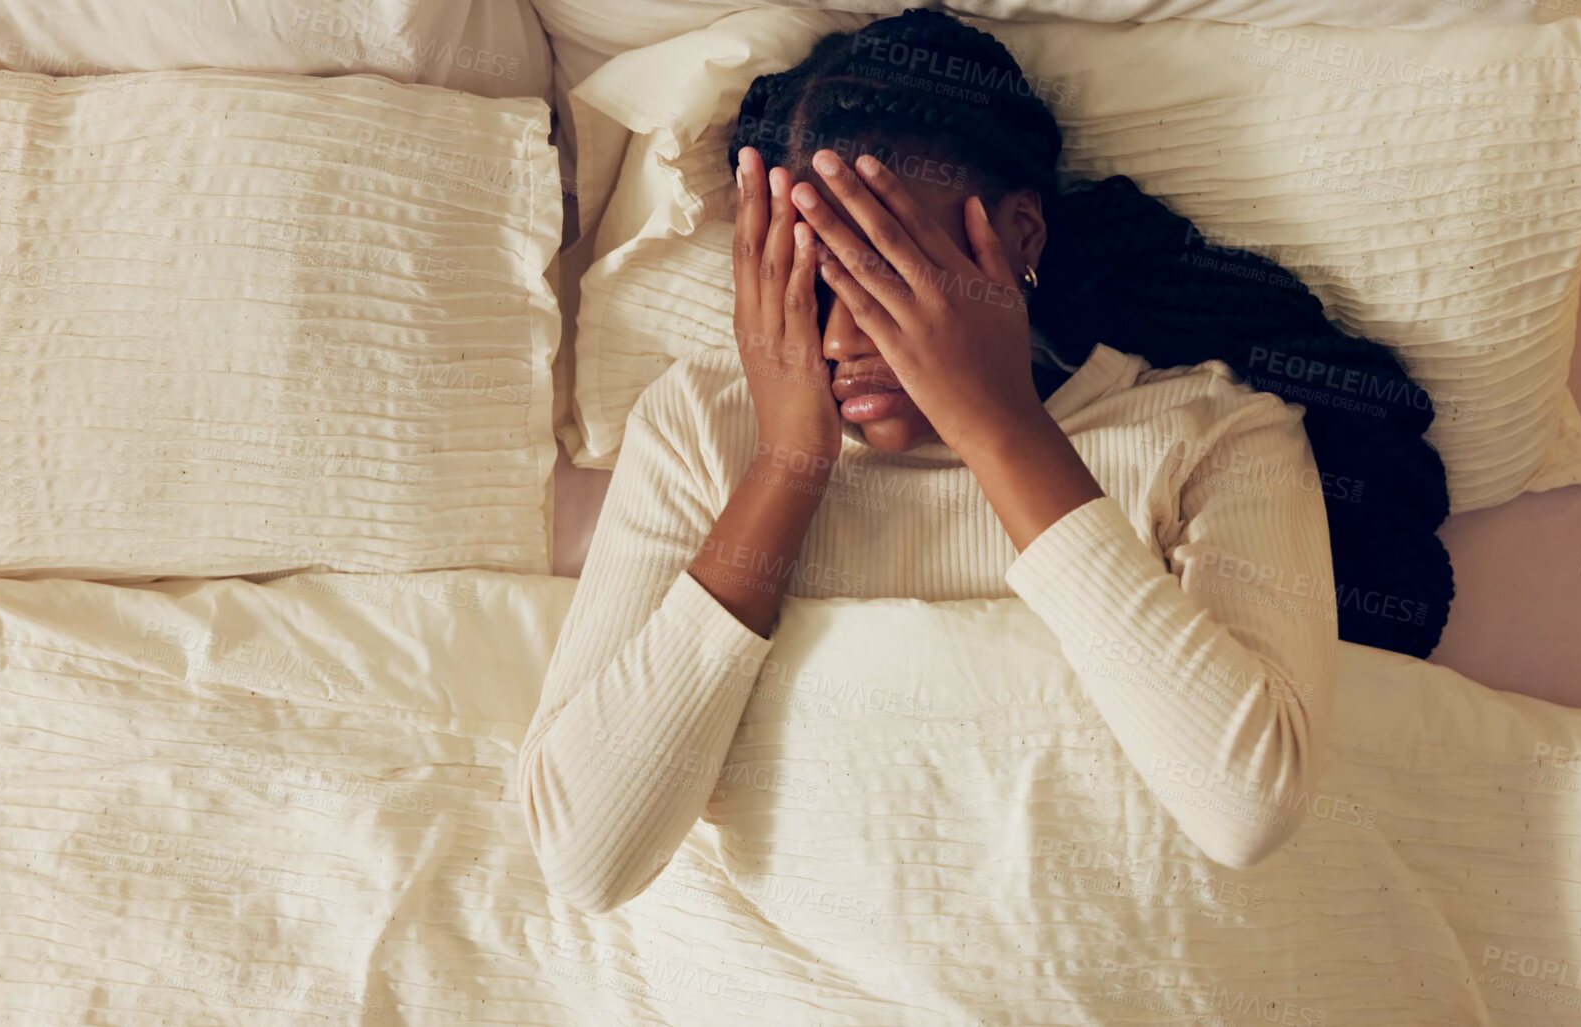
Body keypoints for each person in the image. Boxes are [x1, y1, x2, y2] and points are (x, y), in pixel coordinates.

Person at [519, 8, 1451, 915]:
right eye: (810, 284)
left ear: (1019, 238)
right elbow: (584, 859)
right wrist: (787, 461)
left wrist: (999, 427)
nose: (843, 336)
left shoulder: (1213, 433)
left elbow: (1244, 809)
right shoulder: (697, 428)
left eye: (886, 275)